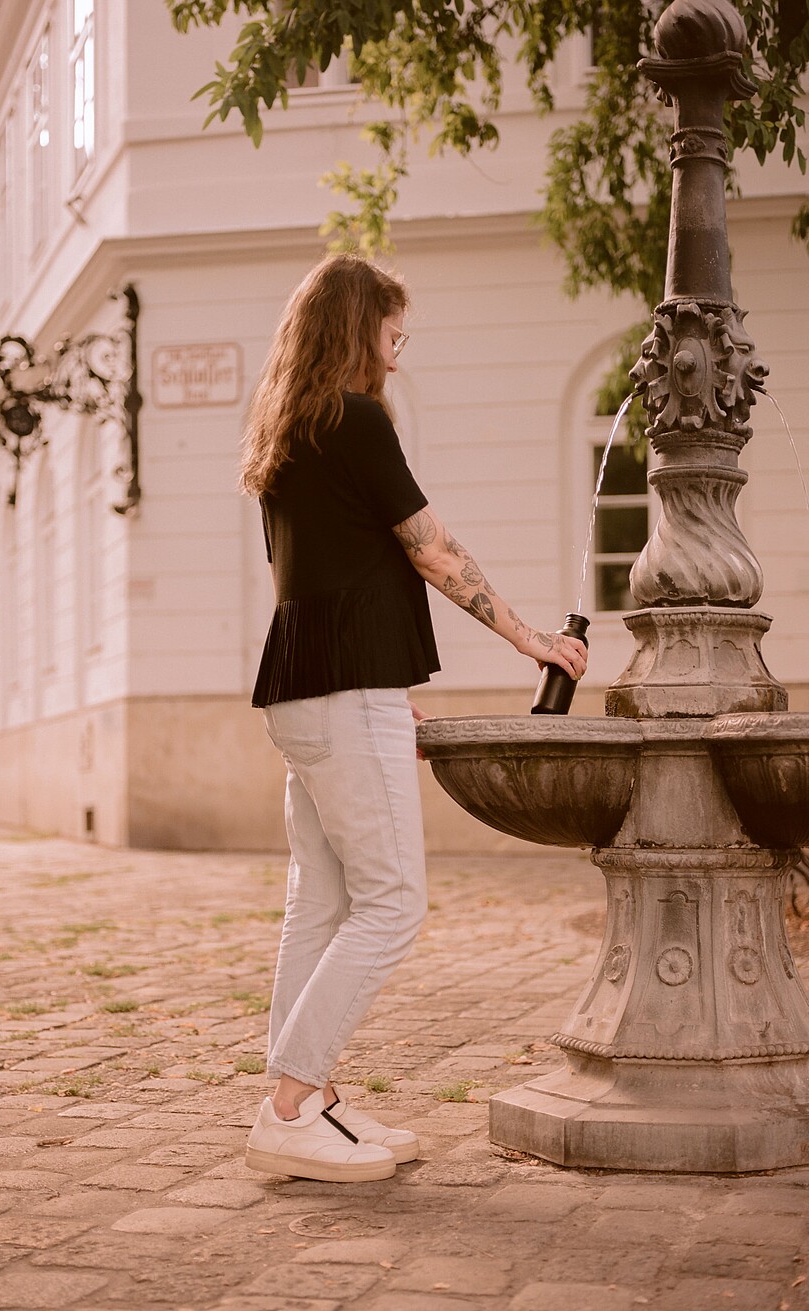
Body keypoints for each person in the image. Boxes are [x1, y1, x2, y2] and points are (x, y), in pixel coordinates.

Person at [242, 254, 588, 1183]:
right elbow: (432, 551)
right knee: (392, 902)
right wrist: (532, 639)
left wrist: (383, 679)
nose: (396, 360)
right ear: (359, 331)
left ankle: (302, 1103)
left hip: (307, 693)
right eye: (392, 339)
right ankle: (288, 1102)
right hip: (342, 695)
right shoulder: (355, 421)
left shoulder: (289, 431)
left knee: (320, 899)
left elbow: (329, 571)